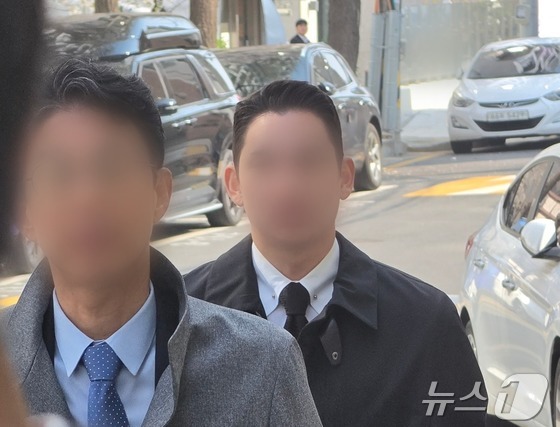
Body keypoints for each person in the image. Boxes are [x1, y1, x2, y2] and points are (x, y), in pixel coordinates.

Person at [2, 59, 321, 427]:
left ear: (160, 193)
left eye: (111, 168)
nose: (88, 197)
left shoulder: (263, 364)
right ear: (24, 211)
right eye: (58, 174)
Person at [184, 80, 488, 426]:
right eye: (265, 165)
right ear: (233, 184)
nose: (287, 187)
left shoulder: (424, 323)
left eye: (308, 162)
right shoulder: (180, 318)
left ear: (345, 177)